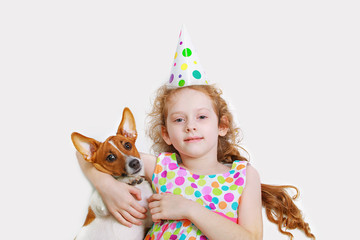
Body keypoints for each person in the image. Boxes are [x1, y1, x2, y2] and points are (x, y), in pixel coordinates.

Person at [77, 25, 315, 239]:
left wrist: (189, 209)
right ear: (166, 134)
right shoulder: (161, 166)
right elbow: (87, 155)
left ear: (222, 126)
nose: (190, 125)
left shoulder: (244, 176)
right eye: (179, 119)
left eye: (201, 117)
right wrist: (107, 187)